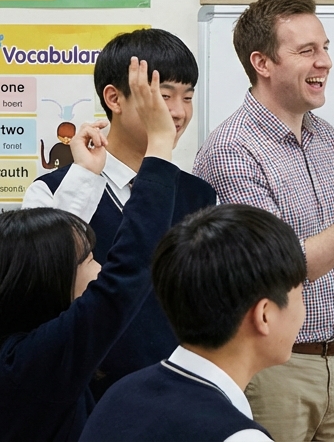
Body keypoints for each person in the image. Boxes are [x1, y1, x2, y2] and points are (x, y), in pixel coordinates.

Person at [194, 0, 334, 442]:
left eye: (325, 47)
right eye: (307, 51)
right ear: (262, 63)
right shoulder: (232, 152)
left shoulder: (325, 138)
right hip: (272, 369)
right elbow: (278, 269)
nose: (326, 62)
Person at [0, 58, 180, 442]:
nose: (99, 269)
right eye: (88, 261)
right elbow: (126, 274)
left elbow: (52, 244)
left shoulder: (1, 357)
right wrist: (159, 147)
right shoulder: (40, 359)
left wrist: (84, 174)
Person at [22, 28, 218, 398]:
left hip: (178, 393)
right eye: (163, 97)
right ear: (114, 98)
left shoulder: (199, 195)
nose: (177, 112)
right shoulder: (52, 190)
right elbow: (43, 293)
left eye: (187, 97)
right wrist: (82, 179)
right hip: (87, 398)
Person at [79, 204, 308, 442]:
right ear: (264, 315)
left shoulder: (120, 393)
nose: (303, 309)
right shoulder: (239, 436)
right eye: (300, 294)